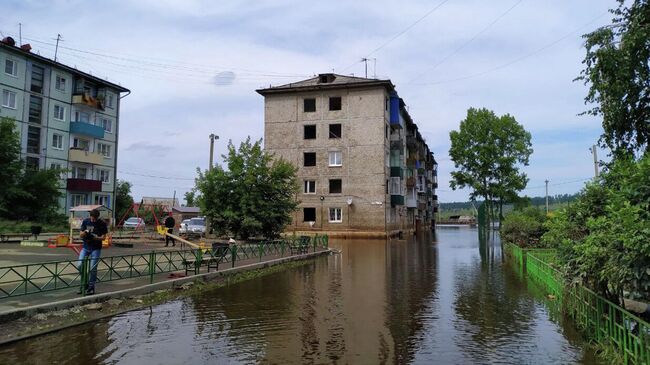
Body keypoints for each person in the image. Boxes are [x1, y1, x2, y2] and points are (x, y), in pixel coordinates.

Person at [78, 209, 108, 295]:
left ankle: (91, 287)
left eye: (95, 219)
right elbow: (80, 234)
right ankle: (84, 284)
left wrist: (95, 238)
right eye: (92, 218)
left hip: (96, 248)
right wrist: (85, 233)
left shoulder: (102, 224)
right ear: (90, 216)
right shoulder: (86, 221)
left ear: (97, 217)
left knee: (92, 268)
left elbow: (103, 237)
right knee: (80, 265)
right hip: (85, 247)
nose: (93, 220)